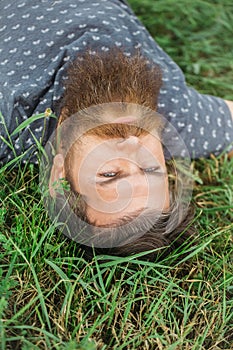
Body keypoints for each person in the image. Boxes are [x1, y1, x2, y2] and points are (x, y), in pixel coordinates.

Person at [1, 0, 233, 259]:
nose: (133, 144)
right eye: (150, 168)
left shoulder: (10, 116)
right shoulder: (175, 113)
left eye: (110, 174)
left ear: (59, 173)